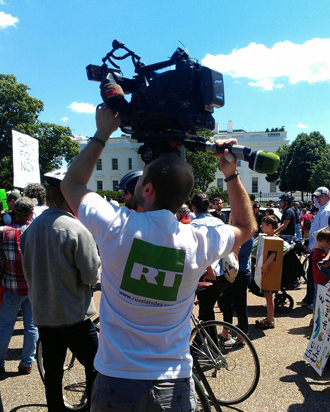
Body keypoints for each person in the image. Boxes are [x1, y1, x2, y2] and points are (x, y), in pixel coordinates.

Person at [60, 101, 255, 411]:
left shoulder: (116, 226)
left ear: (147, 189)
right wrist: (231, 175)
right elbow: (246, 227)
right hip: (173, 382)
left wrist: (102, 133)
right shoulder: (198, 240)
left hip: (116, 379)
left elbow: (71, 184)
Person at [20, 170, 100, 412]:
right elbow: (90, 275)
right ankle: (93, 407)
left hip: (44, 314)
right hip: (74, 314)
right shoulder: (76, 228)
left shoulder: (29, 231)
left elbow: (28, 273)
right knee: (96, 365)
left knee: (52, 371)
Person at [0, 197, 38, 375]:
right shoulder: (36, 231)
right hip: (32, 287)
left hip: (11, 286)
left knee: (5, 326)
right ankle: (27, 363)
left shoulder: (3, 231)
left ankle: (0, 363)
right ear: (31, 213)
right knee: (32, 327)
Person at [190, 193, 228, 329]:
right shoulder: (220, 222)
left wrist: (210, 270)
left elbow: (202, 251)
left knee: (206, 314)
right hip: (223, 274)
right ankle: (199, 345)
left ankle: (211, 347)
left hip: (208, 274)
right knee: (206, 312)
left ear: (193, 207)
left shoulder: (194, 225)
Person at [253, 215, 290, 329]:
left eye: (263, 226)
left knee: (269, 296)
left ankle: (270, 320)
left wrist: (265, 265)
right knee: (267, 295)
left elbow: (274, 253)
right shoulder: (266, 237)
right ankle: (269, 318)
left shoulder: (273, 239)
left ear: (270, 226)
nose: (261, 227)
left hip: (268, 271)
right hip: (266, 270)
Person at [297, 187, 330, 307]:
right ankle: (310, 299)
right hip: (317, 247)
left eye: (319, 196)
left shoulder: (326, 211)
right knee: (312, 276)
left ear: (327, 195)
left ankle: (315, 302)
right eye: (316, 197)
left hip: (320, 247)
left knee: (317, 277)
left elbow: (323, 233)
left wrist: (309, 247)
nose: (317, 199)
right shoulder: (323, 208)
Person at [220, 236, 254, 342]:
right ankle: (226, 331)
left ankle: (241, 336)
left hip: (238, 272)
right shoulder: (246, 236)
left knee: (239, 306)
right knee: (227, 303)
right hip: (237, 273)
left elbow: (234, 255)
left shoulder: (244, 237)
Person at [310, 229, 330, 327]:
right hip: (321, 281)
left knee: (316, 300)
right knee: (318, 301)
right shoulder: (320, 254)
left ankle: (314, 319)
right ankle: (315, 319)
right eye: (327, 243)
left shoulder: (316, 251)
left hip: (317, 280)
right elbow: (324, 264)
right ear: (324, 242)